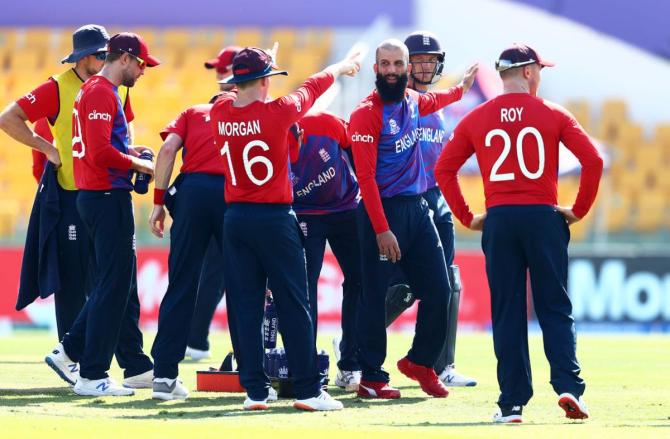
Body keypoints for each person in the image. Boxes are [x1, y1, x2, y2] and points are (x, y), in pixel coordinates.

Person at [434, 44, 603, 423]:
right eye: (539, 69)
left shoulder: (477, 118)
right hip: (544, 217)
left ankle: (512, 403)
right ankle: (568, 388)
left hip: (501, 220)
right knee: (555, 307)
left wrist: (467, 217)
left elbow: (444, 169)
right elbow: (592, 160)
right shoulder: (553, 113)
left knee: (508, 313)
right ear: (527, 72)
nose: (541, 76)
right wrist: (577, 211)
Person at [210, 47, 360, 411]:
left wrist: (254, 74)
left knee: (245, 306)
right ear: (265, 81)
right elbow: (313, 85)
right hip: (275, 219)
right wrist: (340, 66)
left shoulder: (218, 113)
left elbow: (232, 96)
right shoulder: (279, 113)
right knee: (294, 302)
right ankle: (309, 390)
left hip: (236, 219)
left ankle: (255, 392)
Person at [0, 25, 149, 390]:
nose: (106, 59)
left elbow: (116, 137)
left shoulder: (112, 90)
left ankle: (133, 363)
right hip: (71, 195)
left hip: (99, 189)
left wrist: (134, 156)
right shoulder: (56, 87)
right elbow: (7, 118)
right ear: (85, 58)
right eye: (101, 55)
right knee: (77, 281)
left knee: (120, 283)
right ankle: (76, 360)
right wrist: (47, 148)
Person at [347, 38, 477, 399]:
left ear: (406, 69)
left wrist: (462, 89)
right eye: (384, 64)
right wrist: (381, 229)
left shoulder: (414, 101)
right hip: (381, 211)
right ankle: (371, 377)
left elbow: (438, 100)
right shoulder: (364, 114)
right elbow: (366, 179)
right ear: (376, 70)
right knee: (374, 295)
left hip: (417, 208)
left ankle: (420, 362)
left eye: (396, 65)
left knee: (439, 288)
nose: (391, 70)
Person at [61, 32, 160, 396]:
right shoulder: (102, 91)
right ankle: (91, 374)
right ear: (125, 59)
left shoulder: (94, 90)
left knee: (112, 285)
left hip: (96, 194)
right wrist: (141, 165)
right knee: (114, 287)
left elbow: (98, 145)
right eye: (142, 64)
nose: (144, 71)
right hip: (105, 195)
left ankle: (72, 353)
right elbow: (100, 152)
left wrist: (131, 150)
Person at [383, 31, 476, 387]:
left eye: (429, 60)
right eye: (417, 60)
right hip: (404, 201)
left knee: (448, 282)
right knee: (402, 286)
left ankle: (441, 365)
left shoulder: (436, 107)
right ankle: (356, 345)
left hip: (434, 198)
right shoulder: (393, 104)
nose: (424, 66)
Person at [148, 97, 239, 400]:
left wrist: (159, 202)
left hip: (191, 195)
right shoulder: (248, 112)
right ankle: (251, 373)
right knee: (243, 285)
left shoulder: (192, 113)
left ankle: (163, 376)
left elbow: (167, 149)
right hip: (232, 194)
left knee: (181, 285)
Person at [289, 111, 362, 391]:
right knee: (303, 289)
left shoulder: (327, 123)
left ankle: (350, 363)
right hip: (305, 215)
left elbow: (355, 152)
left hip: (346, 208)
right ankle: (305, 368)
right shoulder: (273, 147)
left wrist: (368, 195)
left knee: (362, 280)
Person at [183, 45, 241, 361]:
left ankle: (195, 337)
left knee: (212, 271)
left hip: (222, 195)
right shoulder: (223, 108)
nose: (218, 73)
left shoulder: (213, 110)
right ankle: (197, 338)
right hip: (231, 197)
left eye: (223, 67)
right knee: (222, 272)